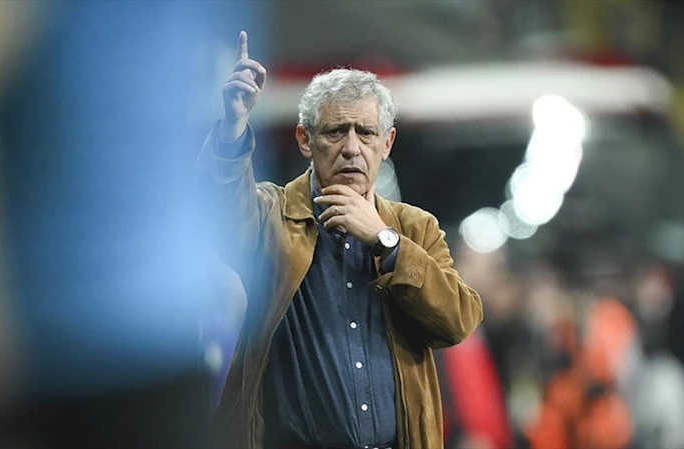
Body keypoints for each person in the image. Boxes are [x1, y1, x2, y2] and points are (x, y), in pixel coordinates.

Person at [195, 31, 483, 449]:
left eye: (366, 133)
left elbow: (458, 320)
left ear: (387, 143)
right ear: (304, 140)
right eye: (335, 132)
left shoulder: (414, 229)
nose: (351, 148)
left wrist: (386, 242)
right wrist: (232, 129)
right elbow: (221, 211)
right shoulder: (272, 216)